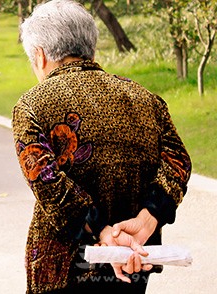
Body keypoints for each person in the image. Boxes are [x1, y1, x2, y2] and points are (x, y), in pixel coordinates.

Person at [11, 1, 192, 293]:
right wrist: (147, 221)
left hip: (63, 269)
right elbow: (178, 162)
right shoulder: (146, 100)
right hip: (134, 260)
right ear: (91, 50)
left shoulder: (33, 105)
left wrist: (103, 233)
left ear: (40, 56)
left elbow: (47, 181)